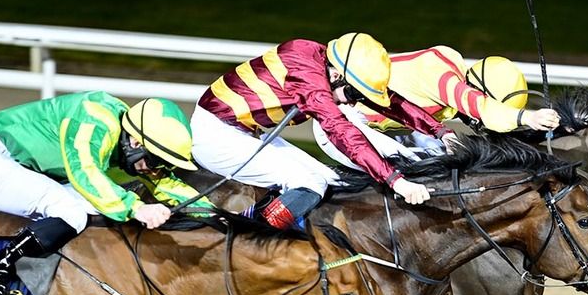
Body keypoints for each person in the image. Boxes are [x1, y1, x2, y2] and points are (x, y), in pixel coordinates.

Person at [0, 92, 209, 295]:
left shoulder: (129, 130)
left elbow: (165, 183)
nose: (155, 170)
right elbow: (85, 174)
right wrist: (136, 208)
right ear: (136, 143)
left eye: (165, 165)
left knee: (97, 210)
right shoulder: (94, 121)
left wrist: (210, 212)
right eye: (155, 161)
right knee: (72, 213)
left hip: (25, 165)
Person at [191, 32, 455, 229]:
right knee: (311, 184)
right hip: (217, 135)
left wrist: (441, 132)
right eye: (353, 94)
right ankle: (246, 237)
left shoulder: (326, 63)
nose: (353, 103)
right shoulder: (308, 77)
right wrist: (395, 180)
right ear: (338, 76)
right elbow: (341, 130)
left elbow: (389, 101)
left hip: (245, 132)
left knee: (333, 183)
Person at [313, 48, 561, 166]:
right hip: (339, 121)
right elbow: (480, 106)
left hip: (364, 121)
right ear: (478, 91)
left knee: (446, 156)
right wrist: (527, 117)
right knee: (419, 169)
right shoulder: (445, 82)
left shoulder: (448, 67)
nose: (478, 125)